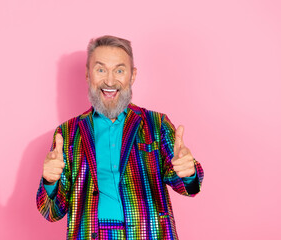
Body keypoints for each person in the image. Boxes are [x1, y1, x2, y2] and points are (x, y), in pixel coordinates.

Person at [36, 35, 204, 240]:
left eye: (119, 70)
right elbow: (51, 212)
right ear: (88, 76)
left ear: (132, 76)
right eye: (100, 70)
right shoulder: (68, 133)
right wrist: (50, 181)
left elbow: (189, 188)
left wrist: (188, 173)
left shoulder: (156, 124)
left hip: (149, 233)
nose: (109, 80)